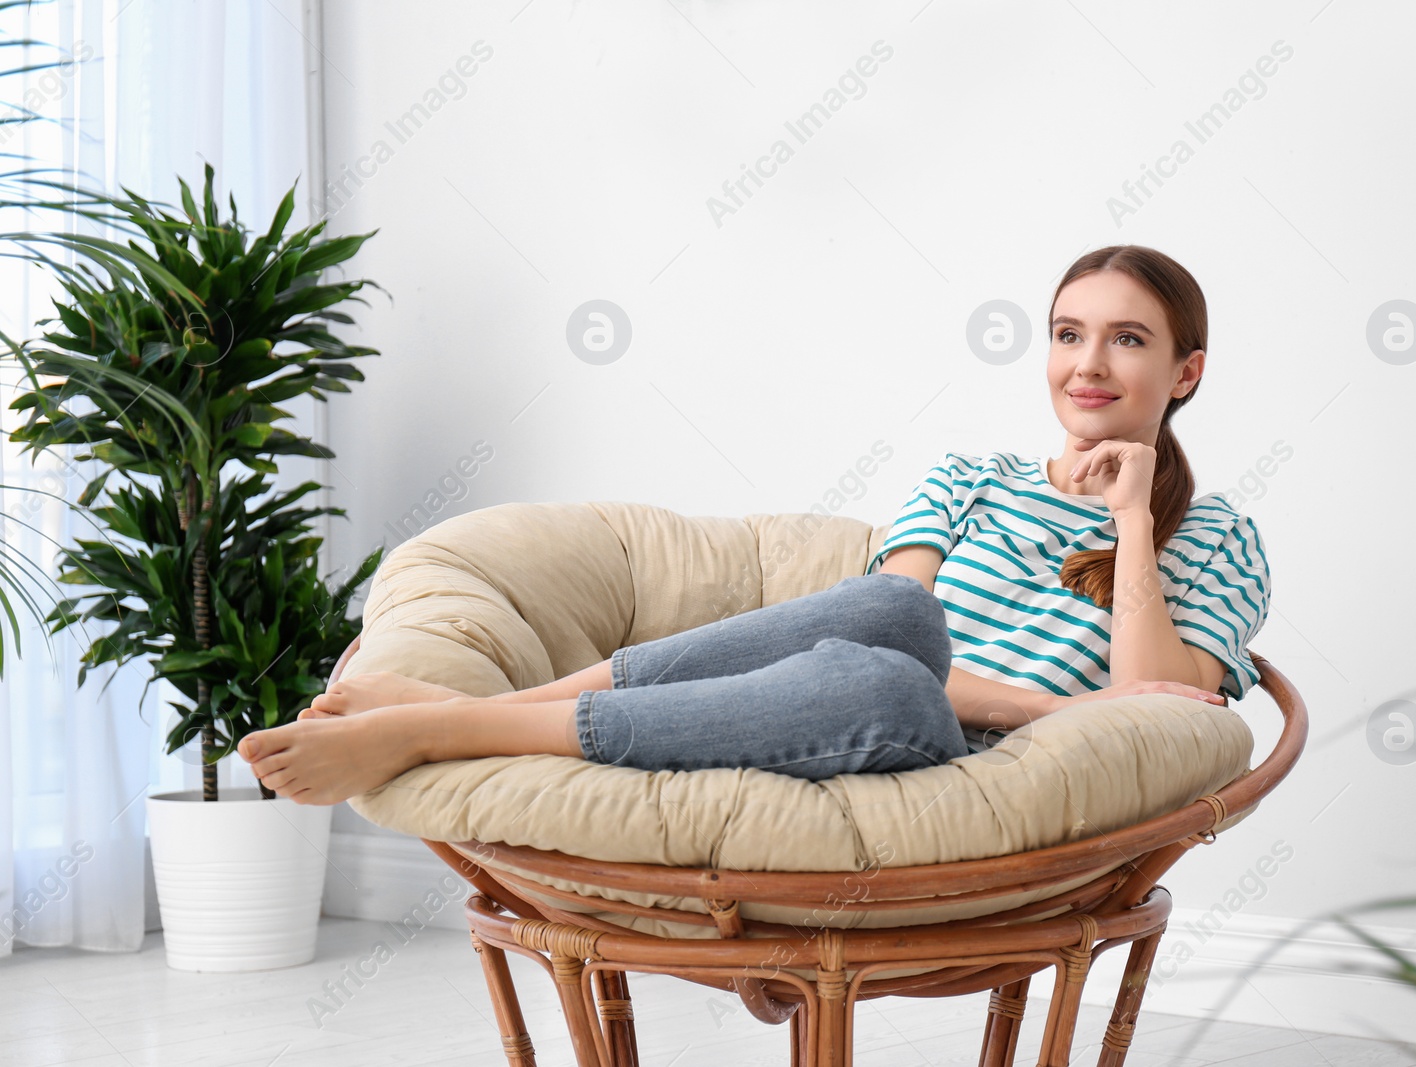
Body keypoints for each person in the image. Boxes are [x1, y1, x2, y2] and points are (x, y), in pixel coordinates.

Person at [237, 244, 1269, 804]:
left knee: (890, 674)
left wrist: (1134, 521)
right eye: (1067, 333)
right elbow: (882, 622)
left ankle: (442, 723)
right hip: (886, 690)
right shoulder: (970, 475)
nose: (1086, 364)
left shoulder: (1220, 535)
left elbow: (1161, 706)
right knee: (890, 620)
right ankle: (505, 707)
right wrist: (1052, 703)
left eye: (1126, 339)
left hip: (969, 751)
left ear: (1184, 372)